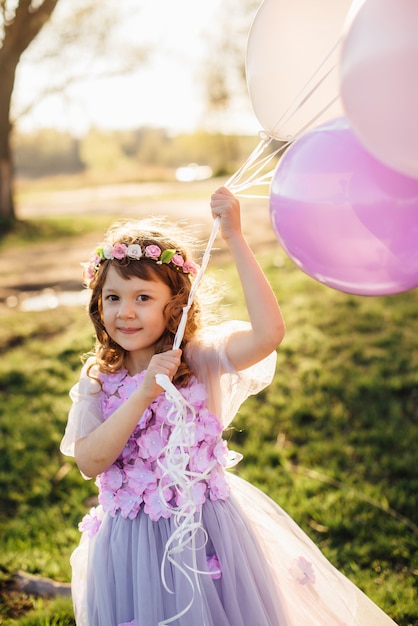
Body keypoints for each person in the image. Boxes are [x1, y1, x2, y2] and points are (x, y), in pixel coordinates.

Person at [61, 186, 397, 626]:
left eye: (143, 297)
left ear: (174, 305)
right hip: (133, 543)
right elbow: (89, 461)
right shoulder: (98, 383)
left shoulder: (199, 360)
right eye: (113, 297)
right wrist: (143, 392)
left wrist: (235, 238)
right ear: (97, 303)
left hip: (208, 532)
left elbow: (268, 334)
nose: (125, 311)